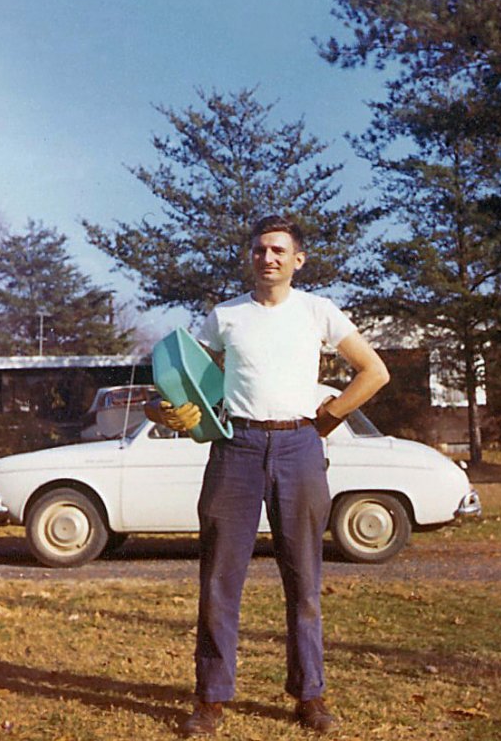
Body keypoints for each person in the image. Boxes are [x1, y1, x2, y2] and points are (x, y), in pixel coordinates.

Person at [145, 215, 389, 737]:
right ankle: (210, 698)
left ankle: (310, 695)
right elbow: (181, 380)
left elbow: (374, 371)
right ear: (249, 258)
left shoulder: (318, 311)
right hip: (236, 448)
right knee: (218, 580)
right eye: (259, 249)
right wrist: (166, 408)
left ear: (298, 260)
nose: (268, 257)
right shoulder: (225, 316)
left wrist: (328, 418)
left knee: (303, 581)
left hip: (300, 446)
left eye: (279, 250)